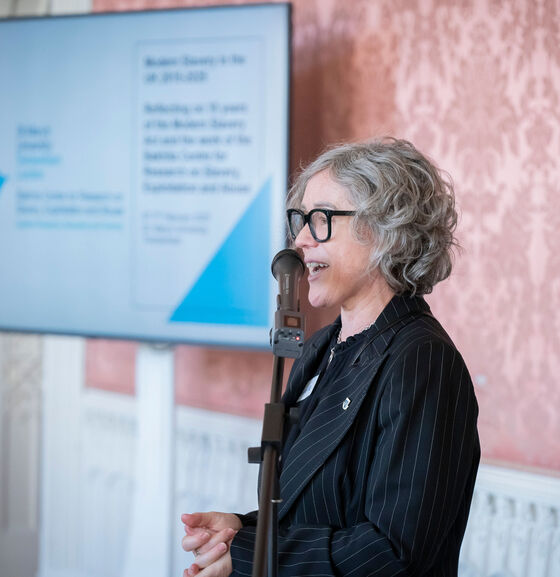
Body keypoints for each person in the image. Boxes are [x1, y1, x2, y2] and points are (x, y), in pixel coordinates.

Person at [181, 137, 480, 577]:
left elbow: (392, 554)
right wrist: (241, 531)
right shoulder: (323, 348)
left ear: (384, 230)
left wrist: (247, 553)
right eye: (300, 220)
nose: (300, 240)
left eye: (320, 219)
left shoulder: (423, 362)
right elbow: (314, 512)